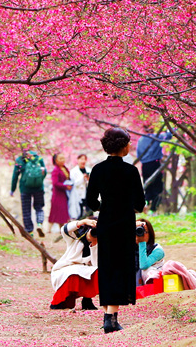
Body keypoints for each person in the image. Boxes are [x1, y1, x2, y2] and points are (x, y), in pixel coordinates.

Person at [85, 127, 145, 333]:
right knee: (122, 266)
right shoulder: (131, 171)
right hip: (125, 222)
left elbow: (91, 201)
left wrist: (106, 205)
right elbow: (140, 202)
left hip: (106, 221)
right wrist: (126, 205)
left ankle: (108, 316)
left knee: (107, 265)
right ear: (122, 146)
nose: (130, 146)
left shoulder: (97, 170)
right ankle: (111, 317)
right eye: (128, 143)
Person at [135, 218, 196, 291]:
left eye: (144, 232)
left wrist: (142, 243)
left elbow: (143, 265)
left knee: (147, 270)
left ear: (150, 234)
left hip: (157, 280)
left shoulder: (157, 250)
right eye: (136, 231)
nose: (139, 234)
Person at [50, 218, 100, 311]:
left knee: (97, 273)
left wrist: (94, 244)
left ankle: (87, 300)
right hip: (67, 268)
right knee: (73, 273)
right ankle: (59, 301)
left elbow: (96, 264)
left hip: (85, 270)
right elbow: (64, 229)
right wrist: (83, 222)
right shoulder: (75, 238)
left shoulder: (99, 243)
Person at [10, 147, 47, 238]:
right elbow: (44, 172)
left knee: (26, 210)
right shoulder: (39, 158)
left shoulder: (20, 160)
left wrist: (12, 189)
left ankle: (29, 231)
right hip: (39, 188)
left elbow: (15, 175)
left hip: (25, 188)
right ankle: (39, 223)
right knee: (39, 207)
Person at [135, 124, 172, 212]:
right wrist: (170, 128)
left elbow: (138, 154)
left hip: (144, 165)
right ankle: (153, 208)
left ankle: (148, 204)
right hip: (155, 164)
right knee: (157, 187)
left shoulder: (141, 139)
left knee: (148, 186)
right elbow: (169, 136)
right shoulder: (157, 136)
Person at [48, 153, 72, 233]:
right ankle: (49, 229)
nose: (63, 160)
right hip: (57, 194)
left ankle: (62, 229)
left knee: (62, 212)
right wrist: (65, 186)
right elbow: (55, 183)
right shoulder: (56, 170)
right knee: (55, 211)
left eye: (63, 158)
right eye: (60, 158)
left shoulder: (64, 168)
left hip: (64, 193)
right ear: (56, 160)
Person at [68, 153, 90, 219]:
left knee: (89, 212)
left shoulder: (89, 170)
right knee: (79, 213)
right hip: (78, 195)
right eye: (81, 159)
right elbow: (73, 183)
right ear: (77, 160)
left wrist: (88, 180)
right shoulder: (73, 171)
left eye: (85, 159)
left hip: (88, 194)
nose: (83, 161)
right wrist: (82, 178)